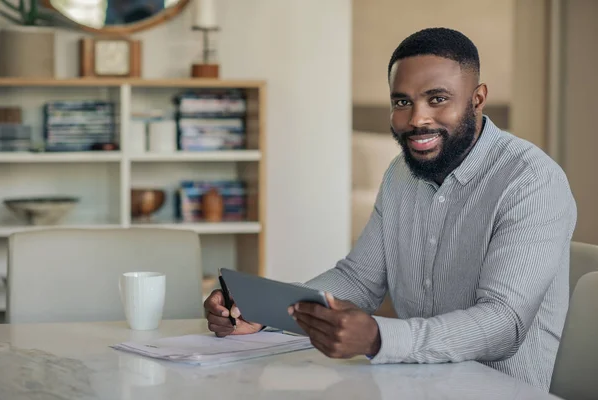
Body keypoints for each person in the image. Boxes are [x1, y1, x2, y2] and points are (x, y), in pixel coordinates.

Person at [203, 27, 577, 391]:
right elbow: (359, 280)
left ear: (477, 99)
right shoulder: (401, 174)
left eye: (437, 99)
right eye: (402, 102)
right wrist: (260, 313)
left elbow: (503, 323)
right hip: (415, 382)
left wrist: (378, 337)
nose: (417, 119)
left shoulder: (531, 182)